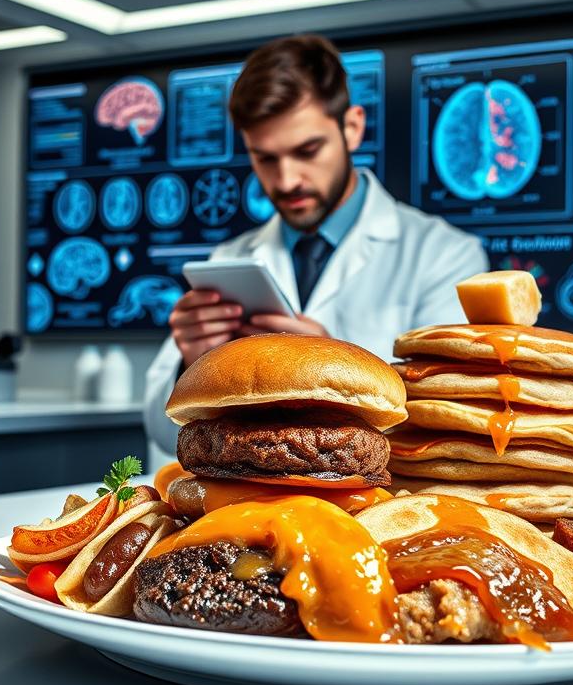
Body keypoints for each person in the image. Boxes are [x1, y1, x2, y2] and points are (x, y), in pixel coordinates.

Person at [143, 34, 487, 453]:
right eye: (265, 158)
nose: (286, 180)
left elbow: (452, 421)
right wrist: (194, 364)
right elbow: (161, 433)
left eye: (308, 150)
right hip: (254, 504)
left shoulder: (444, 255)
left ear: (352, 127)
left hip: (377, 505)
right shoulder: (230, 260)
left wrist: (325, 360)